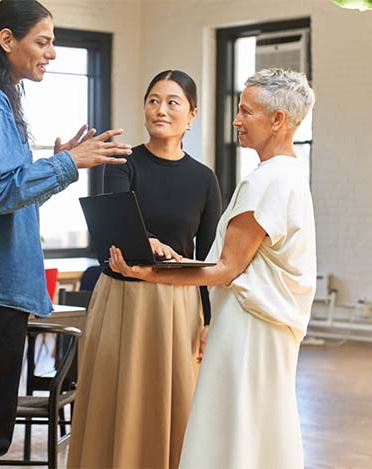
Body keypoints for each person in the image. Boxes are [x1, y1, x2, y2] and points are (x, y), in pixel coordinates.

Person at [0, 1, 132, 468]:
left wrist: (56, 168)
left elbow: (1, 199)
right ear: (7, 39)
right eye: (43, 41)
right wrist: (67, 163)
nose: (52, 53)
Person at [109, 68, 316, 469]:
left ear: (277, 119)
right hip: (269, 325)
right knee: (258, 428)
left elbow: (225, 269)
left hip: (248, 326)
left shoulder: (267, 182)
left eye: (246, 111)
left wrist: (151, 273)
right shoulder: (291, 174)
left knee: (230, 428)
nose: (237, 120)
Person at [68, 70, 221, 469]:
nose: (161, 110)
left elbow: (208, 256)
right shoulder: (123, 163)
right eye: (153, 100)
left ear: (192, 114)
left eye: (172, 102)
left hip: (178, 306)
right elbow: (117, 223)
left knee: (175, 400)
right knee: (115, 399)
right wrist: (149, 241)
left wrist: (209, 320)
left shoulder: (204, 179)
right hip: (122, 299)